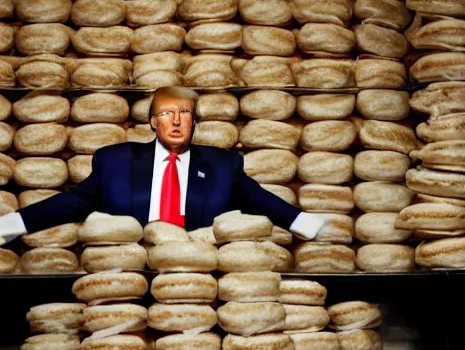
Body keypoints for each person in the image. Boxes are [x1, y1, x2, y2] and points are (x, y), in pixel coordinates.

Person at [0, 86, 325, 244]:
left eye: (185, 114)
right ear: (153, 121)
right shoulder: (116, 161)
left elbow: (263, 202)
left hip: (198, 271)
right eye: (167, 113)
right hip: (129, 270)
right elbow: (71, 203)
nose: (176, 122)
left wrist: (313, 227)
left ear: (195, 121)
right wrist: (8, 226)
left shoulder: (222, 165)